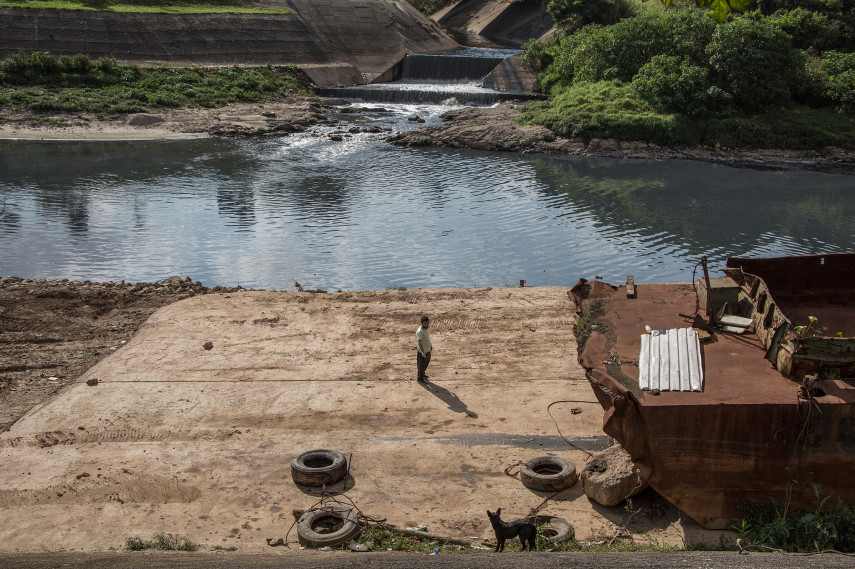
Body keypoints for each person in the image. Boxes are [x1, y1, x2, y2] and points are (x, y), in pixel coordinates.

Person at [416, 315, 431, 382]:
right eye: (425, 323)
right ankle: (420, 378)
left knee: (426, 363)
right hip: (423, 351)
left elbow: (427, 338)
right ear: (422, 323)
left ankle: (423, 374)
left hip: (428, 350)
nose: (426, 325)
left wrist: (430, 345)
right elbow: (419, 342)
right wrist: (423, 352)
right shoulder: (420, 331)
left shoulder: (426, 329)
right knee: (421, 365)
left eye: (427, 323)